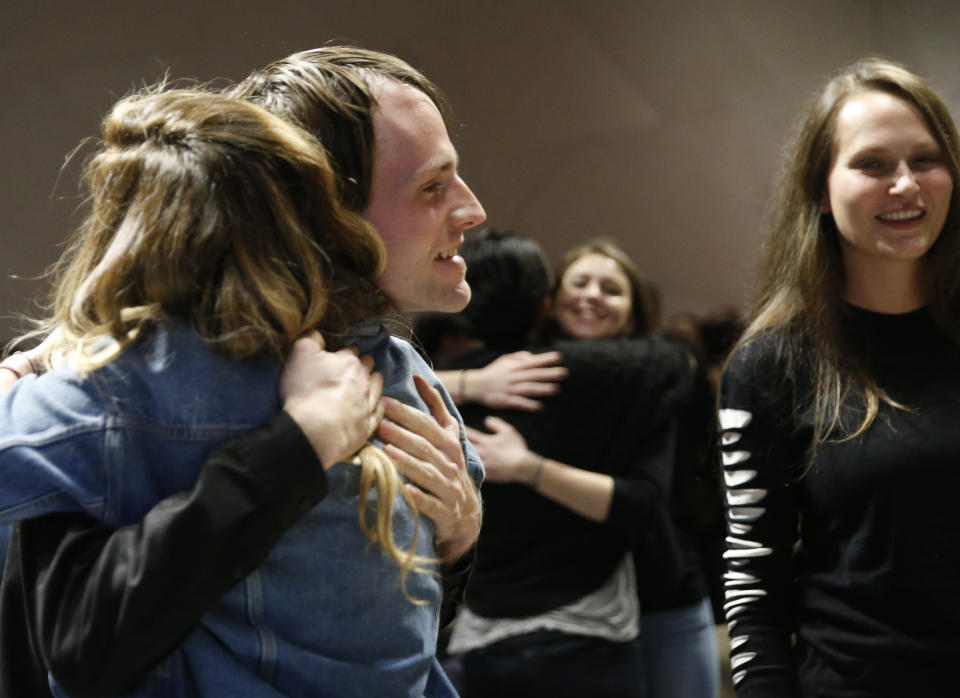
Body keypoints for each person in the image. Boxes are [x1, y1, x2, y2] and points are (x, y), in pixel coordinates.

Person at [0, 46, 487, 697]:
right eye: (431, 186)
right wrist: (296, 446)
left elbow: (393, 643)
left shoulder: (403, 375)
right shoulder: (143, 386)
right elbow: (76, 642)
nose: (472, 208)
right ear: (324, 215)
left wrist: (457, 542)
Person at [719, 57, 960, 697]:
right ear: (821, 191)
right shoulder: (770, 364)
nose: (905, 184)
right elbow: (752, 581)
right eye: (873, 164)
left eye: (926, 159)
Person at [452, 238, 721, 698]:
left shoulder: (649, 382)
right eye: (580, 283)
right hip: (565, 615)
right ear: (549, 303)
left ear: (635, 314)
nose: (593, 295)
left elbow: (643, 503)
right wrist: (471, 380)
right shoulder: (512, 375)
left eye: (612, 289)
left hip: (661, 597)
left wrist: (527, 466)